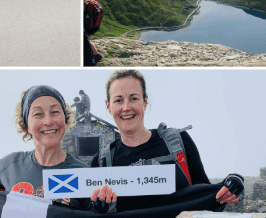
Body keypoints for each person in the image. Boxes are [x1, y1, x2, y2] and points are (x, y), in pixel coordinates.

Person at [91, 69, 244, 213]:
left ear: (145, 101)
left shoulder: (178, 142)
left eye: (134, 98)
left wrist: (233, 183)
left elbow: (207, 197)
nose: (126, 107)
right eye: (118, 100)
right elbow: (89, 211)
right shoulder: (101, 162)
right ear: (108, 106)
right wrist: (99, 209)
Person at [84, 0, 103, 65]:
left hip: (88, 26)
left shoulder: (84, 3)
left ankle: (96, 55)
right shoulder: (92, 1)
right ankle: (97, 54)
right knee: (87, 40)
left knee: (87, 41)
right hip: (94, 26)